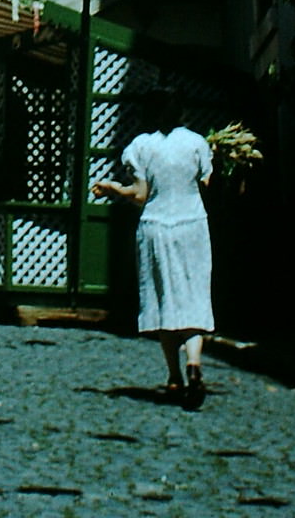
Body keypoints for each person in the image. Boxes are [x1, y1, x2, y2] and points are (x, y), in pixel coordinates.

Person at [93, 86, 213, 409]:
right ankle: (195, 364)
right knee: (193, 296)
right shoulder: (197, 143)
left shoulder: (142, 146)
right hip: (192, 226)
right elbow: (205, 183)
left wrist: (112, 188)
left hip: (157, 227)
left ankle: (174, 376)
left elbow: (140, 194)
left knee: (164, 299)